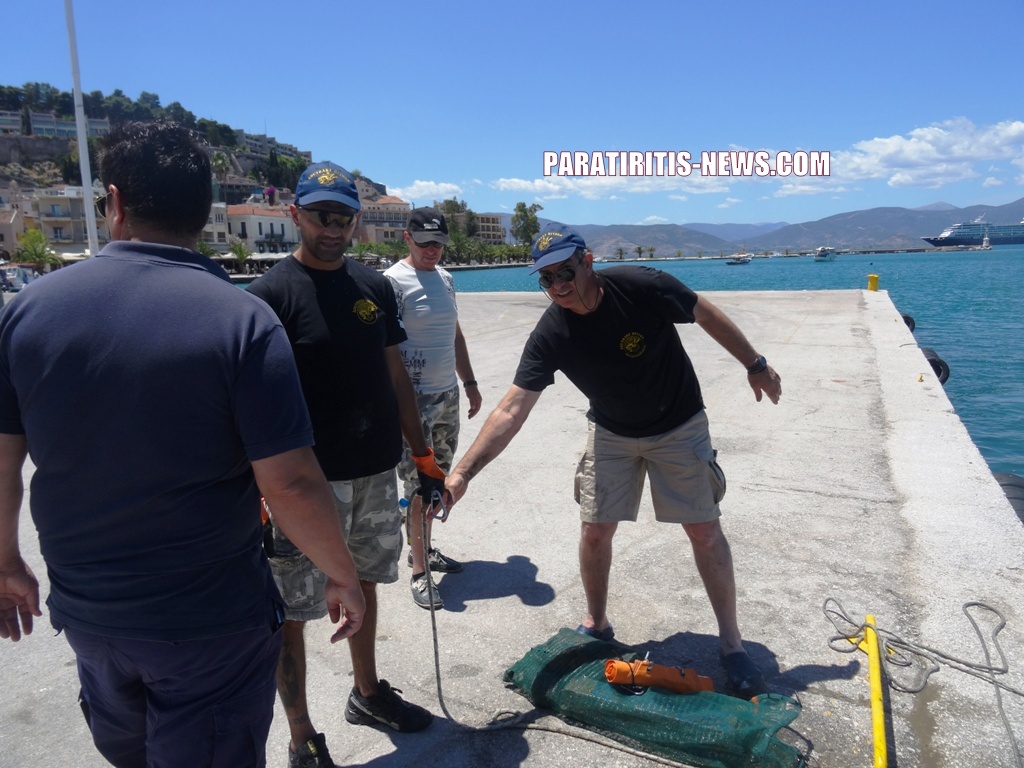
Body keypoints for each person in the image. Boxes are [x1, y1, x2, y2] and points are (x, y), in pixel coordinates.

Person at [0, 121, 365, 768]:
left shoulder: (27, 312)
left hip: (90, 617)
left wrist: (4, 559)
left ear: (114, 201)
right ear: (204, 213)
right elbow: (290, 483)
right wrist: (342, 574)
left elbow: (3, 462)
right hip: (209, 626)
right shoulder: (242, 319)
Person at [445, 223, 783, 699]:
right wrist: (461, 475)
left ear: (587, 261)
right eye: (546, 279)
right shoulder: (553, 331)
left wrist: (755, 363)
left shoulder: (641, 286)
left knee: (704, 530)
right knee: (595, 528)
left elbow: (706, 315)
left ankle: (732, 645)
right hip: (611, 432)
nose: (558, 286)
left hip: (679, 425)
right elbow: (511, 408)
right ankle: (597, 623)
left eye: (565, 272)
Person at [248, 162, 444, 767]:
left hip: (374, 473)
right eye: (320, 215)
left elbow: (395, 378)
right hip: (303, 486)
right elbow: (248, 406)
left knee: (365, 582)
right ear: (295, 215)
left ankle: (366, 693)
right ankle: (302, 733)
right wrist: (256, 486)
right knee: (295, 610)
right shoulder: (268, 298)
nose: (333, 228)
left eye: (343, 217)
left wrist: (423, 456)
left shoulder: (374, 288)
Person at [384, 208, 482, 610]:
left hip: (446, 397)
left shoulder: (446, 278)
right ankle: (420, 573)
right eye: (424, 243)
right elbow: (384, 350)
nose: (432, 251)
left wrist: (470, 383)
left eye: (439, 244)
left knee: (438, 484)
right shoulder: (391, 282)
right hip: (413, 404)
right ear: (407, 239)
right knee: (418, 488)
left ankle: (422, 548)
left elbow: (454, 333)